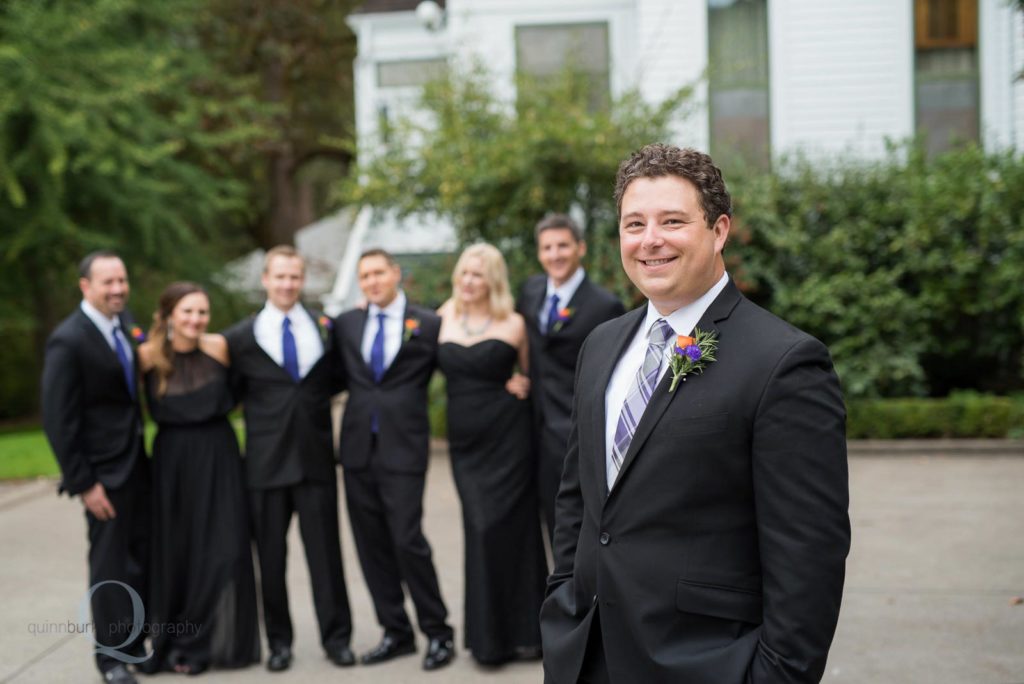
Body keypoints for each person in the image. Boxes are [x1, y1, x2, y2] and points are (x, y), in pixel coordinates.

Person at [539, 144, 850, 684]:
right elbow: (579, 500)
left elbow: (808, 556)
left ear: (720, 230)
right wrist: (562, 599)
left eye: (673, 221)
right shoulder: (601, 344)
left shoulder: (784, 362)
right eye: (633, 223)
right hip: (585, 653)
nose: (650, 239)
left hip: (705, 663)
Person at [223, 245, 354, 672]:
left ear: (302, 281)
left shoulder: (323, 327)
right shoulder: (241, 338)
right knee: (272, 562)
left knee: (325, 557)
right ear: (265, 279)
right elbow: (230, 393)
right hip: (264, 466)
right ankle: (279, 641)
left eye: (294, 277)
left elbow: (334, 381)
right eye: (279, 277)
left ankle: (337, 639)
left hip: (315, 461)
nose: (287, 284)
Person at [333, 248, 455, 671]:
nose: (371, 281)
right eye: (364, 275)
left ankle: (439, 632)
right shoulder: (347, 324)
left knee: (407, 539)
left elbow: (458, 367)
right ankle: (396, 632)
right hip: (356, 450)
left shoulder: (427, 323)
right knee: (371, 545)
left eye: (378, 273)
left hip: (404, 447)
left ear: (395, 274)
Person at [138, 282, 259, 674]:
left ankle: (203, 642)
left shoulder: (220, 348)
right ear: (170, 314)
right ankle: (175, 642)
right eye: (187, 311)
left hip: (219, 456)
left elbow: (245, 389)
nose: (195, 319)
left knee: (225, 550)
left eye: (202, 312)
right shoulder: (147, 357)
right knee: (179, 552)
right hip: (172, 463)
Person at [436, 243, 548, 666]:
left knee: (515, 531)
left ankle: (529, 635)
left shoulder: (515, 323)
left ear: (493, 280)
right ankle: (488, 640)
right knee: (480, 529)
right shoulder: (442, 315)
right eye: (464, 273)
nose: (468, 281)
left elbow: (535, 375)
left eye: (478, 274)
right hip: (466, 447)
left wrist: (523, 384)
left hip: (509, 440)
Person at [41, 250, 150, 684]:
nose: (118, 290)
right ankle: (109, 660)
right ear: (85, 286)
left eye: (122, 281)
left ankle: (135, 644)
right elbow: (57, 420)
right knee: (109, 568)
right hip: (102, 475)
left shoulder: (125, 324)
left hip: (137, 464)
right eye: (108, 283)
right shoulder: (68, 340)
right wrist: (85, 483)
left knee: (141, 558)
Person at [517, 213, 624, 544]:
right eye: (547, 247)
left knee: (576, 528)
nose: (555, 254)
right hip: (531, 429)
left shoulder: (605, 305)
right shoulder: (530, 292)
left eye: (563, 245)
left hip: (576, 430)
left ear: (580, 248)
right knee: (543, 524)